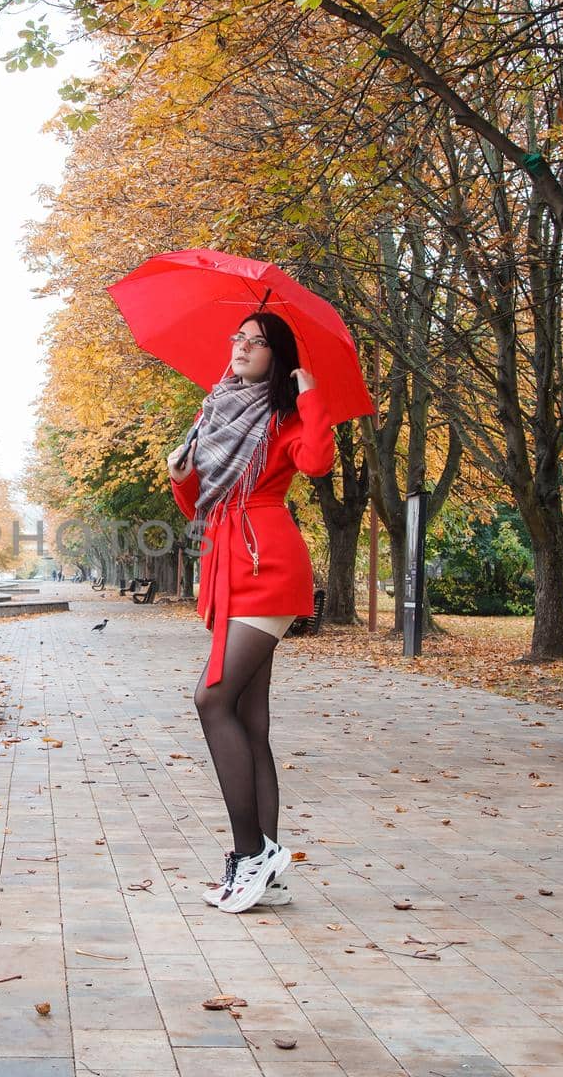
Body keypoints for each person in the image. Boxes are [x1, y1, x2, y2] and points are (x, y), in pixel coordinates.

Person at [167, 311, 334, 913]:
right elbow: (199, 503)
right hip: (226, 563)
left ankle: (250, 854)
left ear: (277, 357)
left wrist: (311, 397)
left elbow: (316, 463)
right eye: (237, 337)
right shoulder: (215, 412)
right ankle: (269, 865)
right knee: (249, 718)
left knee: (211, 698)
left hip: (267, 568)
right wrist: (181, 477)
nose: (241, 347)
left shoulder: (285, 419)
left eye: (256, 343)